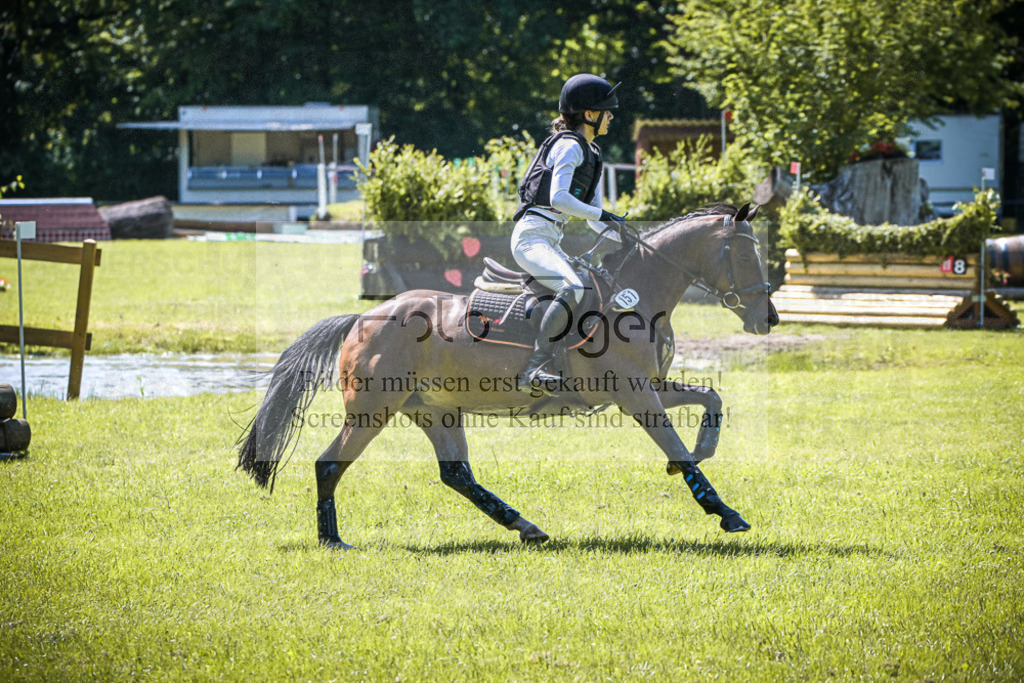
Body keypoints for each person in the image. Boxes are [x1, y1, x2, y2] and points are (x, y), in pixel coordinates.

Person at [512, 73, 627, 393]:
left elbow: (594, 218)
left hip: (551, 238)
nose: (612, 116)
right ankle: (533, 369)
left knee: (592, 286)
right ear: (590, 115)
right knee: (572, 285)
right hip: (531, 236)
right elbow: (558, 199)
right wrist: (604, 215)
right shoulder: (568, 146)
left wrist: (629, 236)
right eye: (607, 110)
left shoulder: (593, 153)